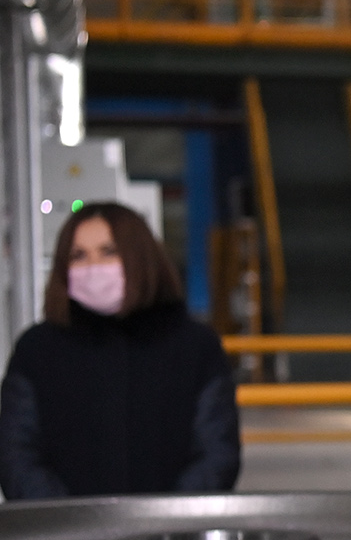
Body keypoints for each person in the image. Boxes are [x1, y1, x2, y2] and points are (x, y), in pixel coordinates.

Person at [0, 202, 239, 498]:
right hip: (62, 526)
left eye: (108, 252)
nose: (94, 267)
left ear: (141, 257)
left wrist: (164, 517)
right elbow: (17, 455)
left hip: (174, 526)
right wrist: (70, 518)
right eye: (78, 256)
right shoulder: (37, 350)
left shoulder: (195, 346)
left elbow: (217, 453)